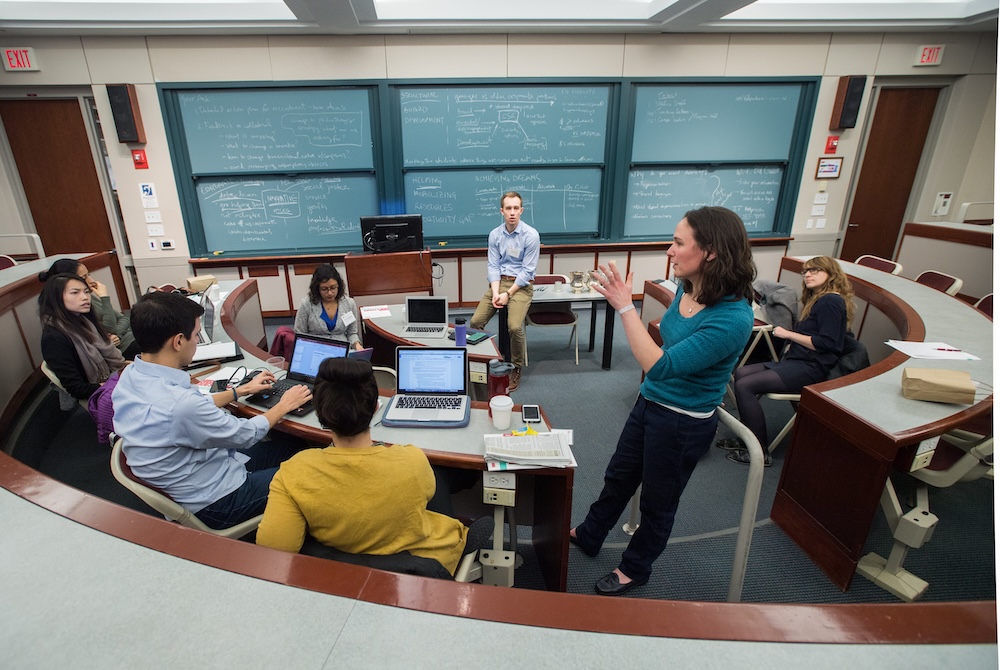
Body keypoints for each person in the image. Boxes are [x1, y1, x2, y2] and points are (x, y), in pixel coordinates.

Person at [570, 206, 755, 596]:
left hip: (683, 423)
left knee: (657, 503)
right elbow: (665, 348)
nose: (670, 251)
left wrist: (625, 306)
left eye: (678, 242)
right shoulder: (688, 289)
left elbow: (660, 365)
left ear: (711, 252)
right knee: (618, 478)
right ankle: (591, 533)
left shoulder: (734, 317)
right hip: (651, 404)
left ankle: (635, 568)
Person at [256, 358, 484, 576]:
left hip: (339, 582)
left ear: (319, 410)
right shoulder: (412, 461)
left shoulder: (293, 472)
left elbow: (276, 550)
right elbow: (425, 497)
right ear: (376, 407)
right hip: (418, 575)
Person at [112, 291, 313, 530]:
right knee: (314, 471)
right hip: (219, 502)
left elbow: (187, 410)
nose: (198, 342)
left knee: (292, 444)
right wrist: (284, 405)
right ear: (178, 341)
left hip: (205, 472)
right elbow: (245, 434)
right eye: (196, 335)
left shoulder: (132, 375)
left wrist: (239, 391)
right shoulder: (181, 405)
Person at [723, 255, 854, 466]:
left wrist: (788, 334)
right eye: (805, 272)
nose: (808, 275)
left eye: (815, 270)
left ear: (831, 274)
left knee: (746, 385)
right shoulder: (821, 299)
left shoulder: (831, 301)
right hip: (797, 361)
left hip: (812, 367)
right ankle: (746, 439)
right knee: (741, 373)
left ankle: (760, 452)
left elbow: (828, 344)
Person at [469, 191, 540, 392]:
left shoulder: (531, 235)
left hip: (521, 286)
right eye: (508, 208)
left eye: (516, 208)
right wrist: (496, 291)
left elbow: (527, 271)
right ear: (502, 211)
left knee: (514, 327)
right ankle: (481, 360)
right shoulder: (495, 235)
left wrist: (508, 294)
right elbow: (493, 266)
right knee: (475, 322)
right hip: (499, 284)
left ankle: (516, 367)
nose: (512, 212)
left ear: (521, 210)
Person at [38, 272, 127, 401]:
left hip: (111, 380)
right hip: (100, 394)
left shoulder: (85, 322)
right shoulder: (54, 338)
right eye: (75, 293)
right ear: (56, 298)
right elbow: (77, 389)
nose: (85, 297)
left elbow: (114, 360)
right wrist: (118, 384)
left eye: (86, 292)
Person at [40, 258, 139, 360]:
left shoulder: (88, 298)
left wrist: (117, 334)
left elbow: (124, 318)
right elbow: (109, 329)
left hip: (127, 339)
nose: (91, 281)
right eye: (84, 277)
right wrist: (104, 298)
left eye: (89, 275)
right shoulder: (78, 307)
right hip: (121, 349)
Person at [270, 264, 362, 359]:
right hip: (316, 352)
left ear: (339, 285)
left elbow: (352, 333)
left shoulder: (349, 303)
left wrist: (357, 345)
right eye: (324, 289)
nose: (330, 293)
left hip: (342, 352)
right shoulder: (307, 304)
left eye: (333, 288)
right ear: (317, 288)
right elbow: (300, 335)